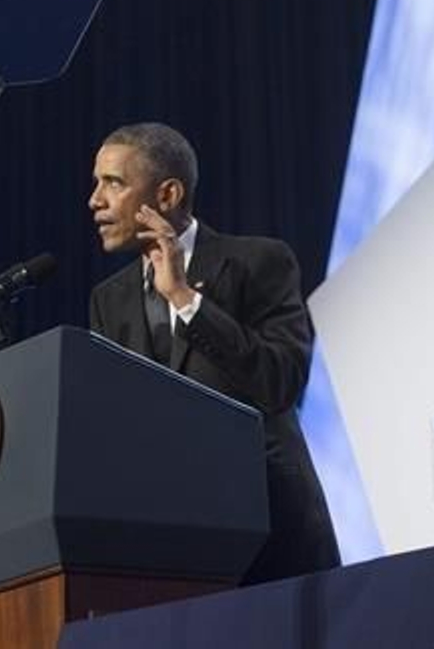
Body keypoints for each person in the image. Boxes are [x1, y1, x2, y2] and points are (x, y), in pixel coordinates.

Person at [86, 121, 339, 583]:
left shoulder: (258, 261)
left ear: (167, 196)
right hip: (171, 547)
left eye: (114, 183)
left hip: (271, 534)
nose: (95, 200)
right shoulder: (110, 299)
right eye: (97, 182)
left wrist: (185, 298)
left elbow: (279, 383)